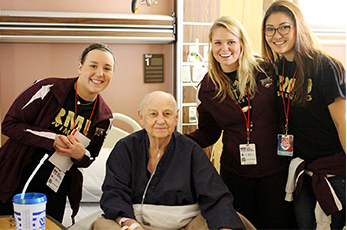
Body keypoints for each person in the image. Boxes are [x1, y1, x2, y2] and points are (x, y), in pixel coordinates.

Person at [185, 16, 295, 229]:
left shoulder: (266, 71)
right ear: (211, 46)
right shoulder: (208, 87)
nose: (224, 48)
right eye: (217, 43)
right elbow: (208, 133)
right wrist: (175, 141)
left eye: (231, 42)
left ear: (241, 43)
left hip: (275, 169)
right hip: (236, 173)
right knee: (239, 224)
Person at [91, 91, 250, 230]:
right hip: (136, 223)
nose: (160, 121)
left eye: (167, 114)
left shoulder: (191, 150)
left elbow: (215, 195)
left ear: (176, 117)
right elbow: (114, 193)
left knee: (233, 220)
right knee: (103, 226)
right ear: (141, 117)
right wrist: (130, 224)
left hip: (185, 224)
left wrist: (225, 227)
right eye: (153, 114)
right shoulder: (125, 148)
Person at [0, 42, 115, 223]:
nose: (99, 73)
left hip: (55, 186)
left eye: (107, 68)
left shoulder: (104, 118)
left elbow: (90, 157)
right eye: (93, 66)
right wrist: (52, 139)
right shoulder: (48, 89)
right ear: (80, 67)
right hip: (16, 173)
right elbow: (9, 124)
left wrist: (80, 155)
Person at [261, 1, 346, 229]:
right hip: (300, 169)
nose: (276, 35)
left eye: (284, 27)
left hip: (332, 172)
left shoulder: (324, 66)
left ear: (299, 27)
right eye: (270, 29)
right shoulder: (276, 68)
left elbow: (342, 122)